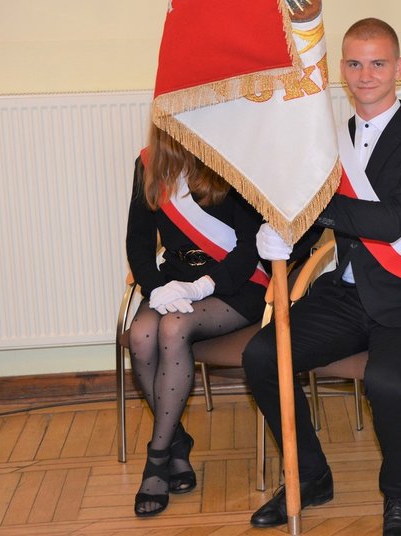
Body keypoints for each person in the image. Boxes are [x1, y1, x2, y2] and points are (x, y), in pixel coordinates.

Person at [243, 17, 401, 536]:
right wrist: (282, 238)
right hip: (347, 293)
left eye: (378, 63)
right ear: (342, 69)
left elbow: (392, 221)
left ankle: (398, 494)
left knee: (387, 383)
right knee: (262, 356)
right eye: (356, 64)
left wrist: (309, 212)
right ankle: (310, 476)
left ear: (399, 68)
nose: (366, 75)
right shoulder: (326, 143)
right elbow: (306, 217)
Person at [125, 126, 268, 517]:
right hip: (175, 278)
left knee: (172, 328)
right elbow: (138, 241)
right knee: (140, 335)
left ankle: (157, 458)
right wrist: (155, 287)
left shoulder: (234, 158)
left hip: (236, 283)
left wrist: (205, 285)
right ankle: (176, 441)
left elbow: (250, 245)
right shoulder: (149, 164)